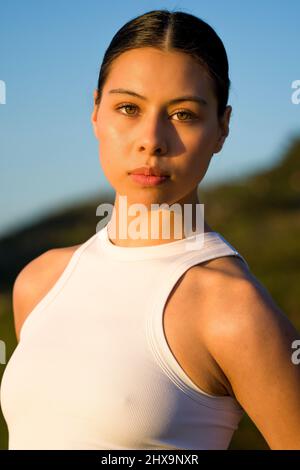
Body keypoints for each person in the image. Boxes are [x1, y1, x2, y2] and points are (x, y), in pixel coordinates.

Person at [1, 9, 300, 450]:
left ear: (223, 128)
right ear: (96, 111)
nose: (152, 139)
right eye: (128, 107)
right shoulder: (41, 281)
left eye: (183, 114)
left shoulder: (234, 310)